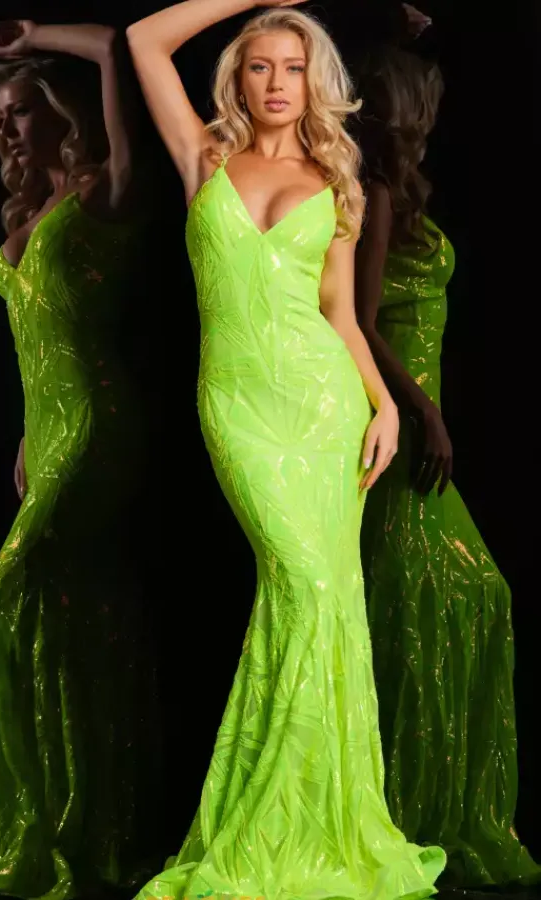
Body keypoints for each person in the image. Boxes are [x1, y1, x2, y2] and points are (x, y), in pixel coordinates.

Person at [126, 2, 446, 899]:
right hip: (239, 407)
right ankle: (267, 819)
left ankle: (307, 825)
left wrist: (383, 405)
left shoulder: (337, 181)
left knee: (318, 597)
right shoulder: (202, 156)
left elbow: (339, 314)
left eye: (294, 67)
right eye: (260, 65)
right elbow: (144, 40)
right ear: (237, 77)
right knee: (305, 587)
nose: (276, 83)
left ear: (315, 83)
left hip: (325, 405)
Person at [0, 20, 162, 900]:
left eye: (23, 108)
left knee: (6, 598)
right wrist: (30, 433)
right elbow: (36, 345)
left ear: (61, 113)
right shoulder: (24, 213)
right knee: (76, 617)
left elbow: (114, 46)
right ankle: (82, 816)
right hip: (50, 430)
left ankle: (72, 821)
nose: (7, 126)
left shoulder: (105, 189)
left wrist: (34, 35)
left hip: (101, 426)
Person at [354, 46, 541, 889]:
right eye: (419, 100)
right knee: (436, 595)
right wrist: (422, 412)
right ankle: (404, 809)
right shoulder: (375, 192)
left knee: (445, 599)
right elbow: (358, 321)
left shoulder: (401, 190)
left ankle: (424, 805)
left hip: (417, 424)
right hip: (394, 424)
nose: (426, 115)